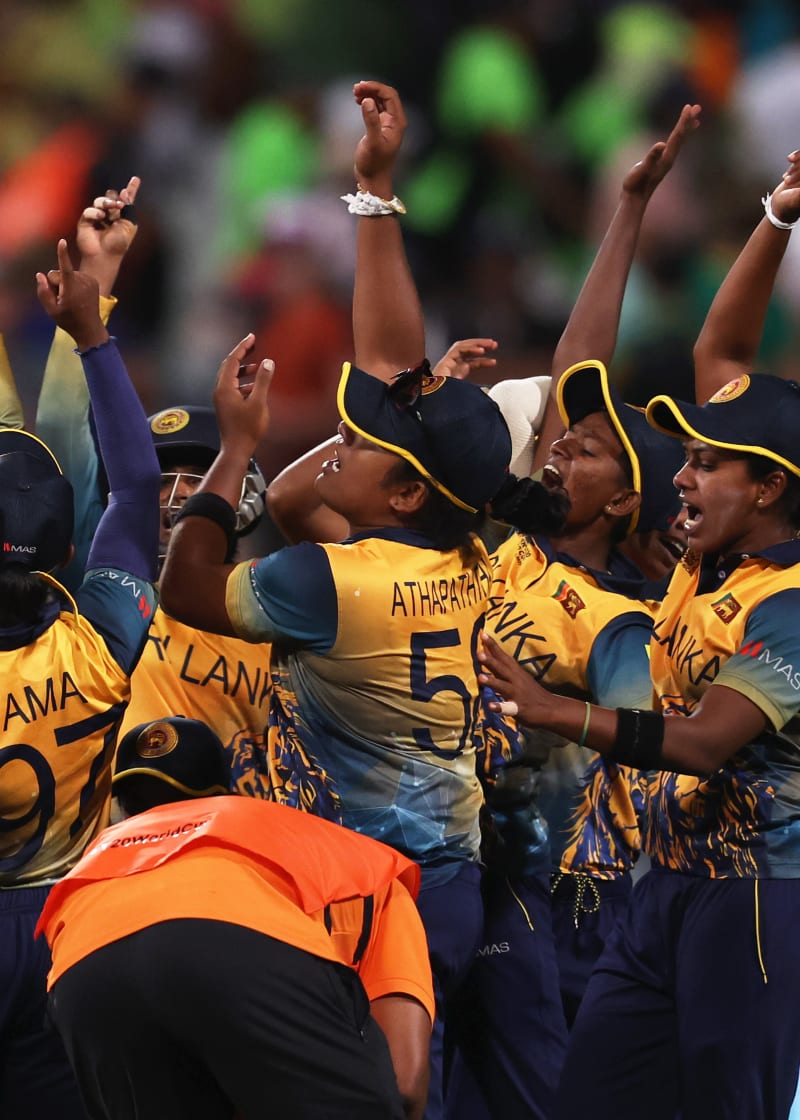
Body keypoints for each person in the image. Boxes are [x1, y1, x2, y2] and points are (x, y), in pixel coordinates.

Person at [159, 81, 569, 1120]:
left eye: (360, 441)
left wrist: (240, 449)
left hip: (351, 886)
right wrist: (374, 189)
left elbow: (191, 583)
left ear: (400, 491)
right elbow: (372, 414)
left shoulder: (329, 582)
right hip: (449, 881)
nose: (337, 443)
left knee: (362, 1099)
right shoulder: (464, 550)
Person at [477, 158, 800, 1120]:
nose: (685, 478)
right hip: (667, 892)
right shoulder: (702, 558)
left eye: (710, 465)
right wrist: (774, 217)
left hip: (761, 902)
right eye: (684, 458)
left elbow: (708, 741)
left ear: (768, 489)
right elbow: (723, 348)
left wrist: (554, 710)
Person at [37, 716, 435, 1120]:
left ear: (120, 809)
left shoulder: (95, 859)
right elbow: (403, 1086)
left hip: (82, 969)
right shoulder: (350, 858)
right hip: (235, 947)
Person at [33, 181, 273, 799]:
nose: (176, 499)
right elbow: (64, 430)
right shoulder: (106, 595)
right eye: (163, 479)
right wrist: (99, 279)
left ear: (241, 494)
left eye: (198, 479)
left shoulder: (283, 610)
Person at [0, 240, 158, 1117]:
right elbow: (136, 490)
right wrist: (93, 339)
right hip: (79, 924)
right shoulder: (101, 639)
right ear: (66, 552)